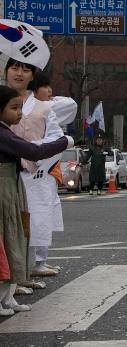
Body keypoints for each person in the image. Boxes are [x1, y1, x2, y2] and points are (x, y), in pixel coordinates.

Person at [0, 85, 68, 314]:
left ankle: (7, 298)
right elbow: (32, 151)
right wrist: (64, 142)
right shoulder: (2, 133)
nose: (19, 113)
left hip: (12, 187)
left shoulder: (6, 131)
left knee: (14, 238)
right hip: (4, 190)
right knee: (7, 238)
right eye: (14, 108)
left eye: (20, 107)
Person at [7, 62, 75, 281]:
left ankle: (27, 270)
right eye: (14, 68)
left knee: (37, 219)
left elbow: (55, 136)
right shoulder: (2, 99)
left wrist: (34, 149)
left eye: (25, 70)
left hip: (36, 170)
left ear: (32, 76)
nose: (19, 74)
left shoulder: (44, 107)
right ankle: (12, 277)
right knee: (10, 223)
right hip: (7, 169)